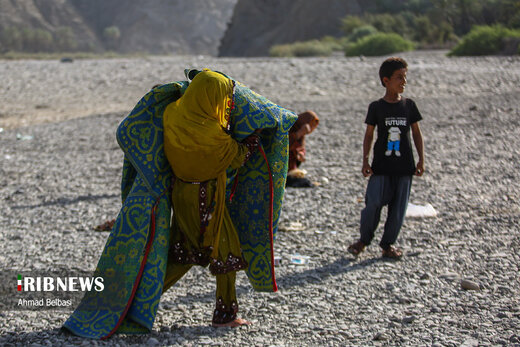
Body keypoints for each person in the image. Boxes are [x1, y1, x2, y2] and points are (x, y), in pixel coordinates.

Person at [162, 70, 258, 327]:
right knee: (226, 250)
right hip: (206, 200)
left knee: (185, 255)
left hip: (181, 195)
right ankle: (225, 314)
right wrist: (251, 142)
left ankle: (135, 303)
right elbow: (237, 157)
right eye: (222, 97)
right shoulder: (213, 134)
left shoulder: (172, 114)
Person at [348, 57, 425, 259]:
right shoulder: (376, 107)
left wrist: (421, 159)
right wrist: (365, 160)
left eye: (405, 77)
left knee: (398, 209)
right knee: (373, 203)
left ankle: (388, 245)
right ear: (386, 80)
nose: (404, 81)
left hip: (405, 166)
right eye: (399, 77)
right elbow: (369, 135)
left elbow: (416, 134)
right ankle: (363, 240)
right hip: (380, 166)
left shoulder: (409, 106)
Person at [286, 110, 319, 187]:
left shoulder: (301, 130)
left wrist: (301, 154)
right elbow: (284, 143)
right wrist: (299, 133)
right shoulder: (290, 126)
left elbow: (301, 147)